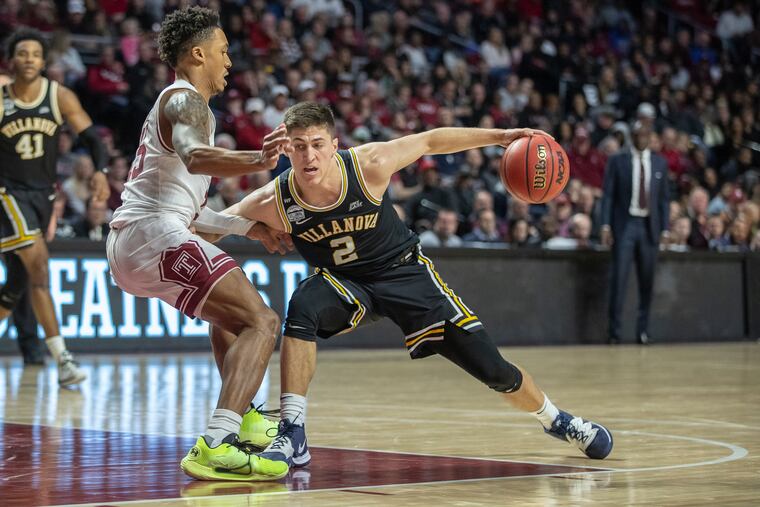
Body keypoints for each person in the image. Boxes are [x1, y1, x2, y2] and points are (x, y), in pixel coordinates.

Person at [226, 102, 614, 470]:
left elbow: (431, 140)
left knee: (495, 371)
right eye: (298, 147)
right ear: (285, 150)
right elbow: (207, 222)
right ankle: (293, 432)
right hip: (346, 284)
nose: (309, 156)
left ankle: (555, 419)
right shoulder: (276, 198)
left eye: (316, 145)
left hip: (404, 274)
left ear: (334, 145)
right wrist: (248, 227)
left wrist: (500, 136)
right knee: (303, 304)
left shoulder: (369, 164)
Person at [106, 7, 292, 482]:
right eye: (224, 51)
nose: (229, 61)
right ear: (198, 53)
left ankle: (245, 416)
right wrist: (258, 157)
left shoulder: (181, 104)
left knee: (229, 317)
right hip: (153, 236)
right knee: (262, 320)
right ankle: (216, 442)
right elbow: (196, 156)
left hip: (142, 238)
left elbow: (185, 210)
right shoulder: (186, 102)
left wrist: (251, 228)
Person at [1, 28, 112, 385]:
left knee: (19, 282)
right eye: (23, 53)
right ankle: (63, 360)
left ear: (45, 60)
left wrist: (100, 170)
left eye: (36, 53)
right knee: (41, 269)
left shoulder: (59, 96)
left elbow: (93, 139)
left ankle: (60, 359)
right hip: (7, 195)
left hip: (42, 197)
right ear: (12, 60)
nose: (30, 58)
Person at [601, 122, 669, 345]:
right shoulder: (617, 160)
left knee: (647, 282)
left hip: (650, 226)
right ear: (632, 135)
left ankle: (643, 331)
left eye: (646, 134)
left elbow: (664, 200)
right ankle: (614, 332)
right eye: (638, 133)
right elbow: (608, 195)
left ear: (651, 137)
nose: (642, 137)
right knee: (619, 280)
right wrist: (605, 225)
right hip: (625, 224)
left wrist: (666, 228)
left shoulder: (660, 162)